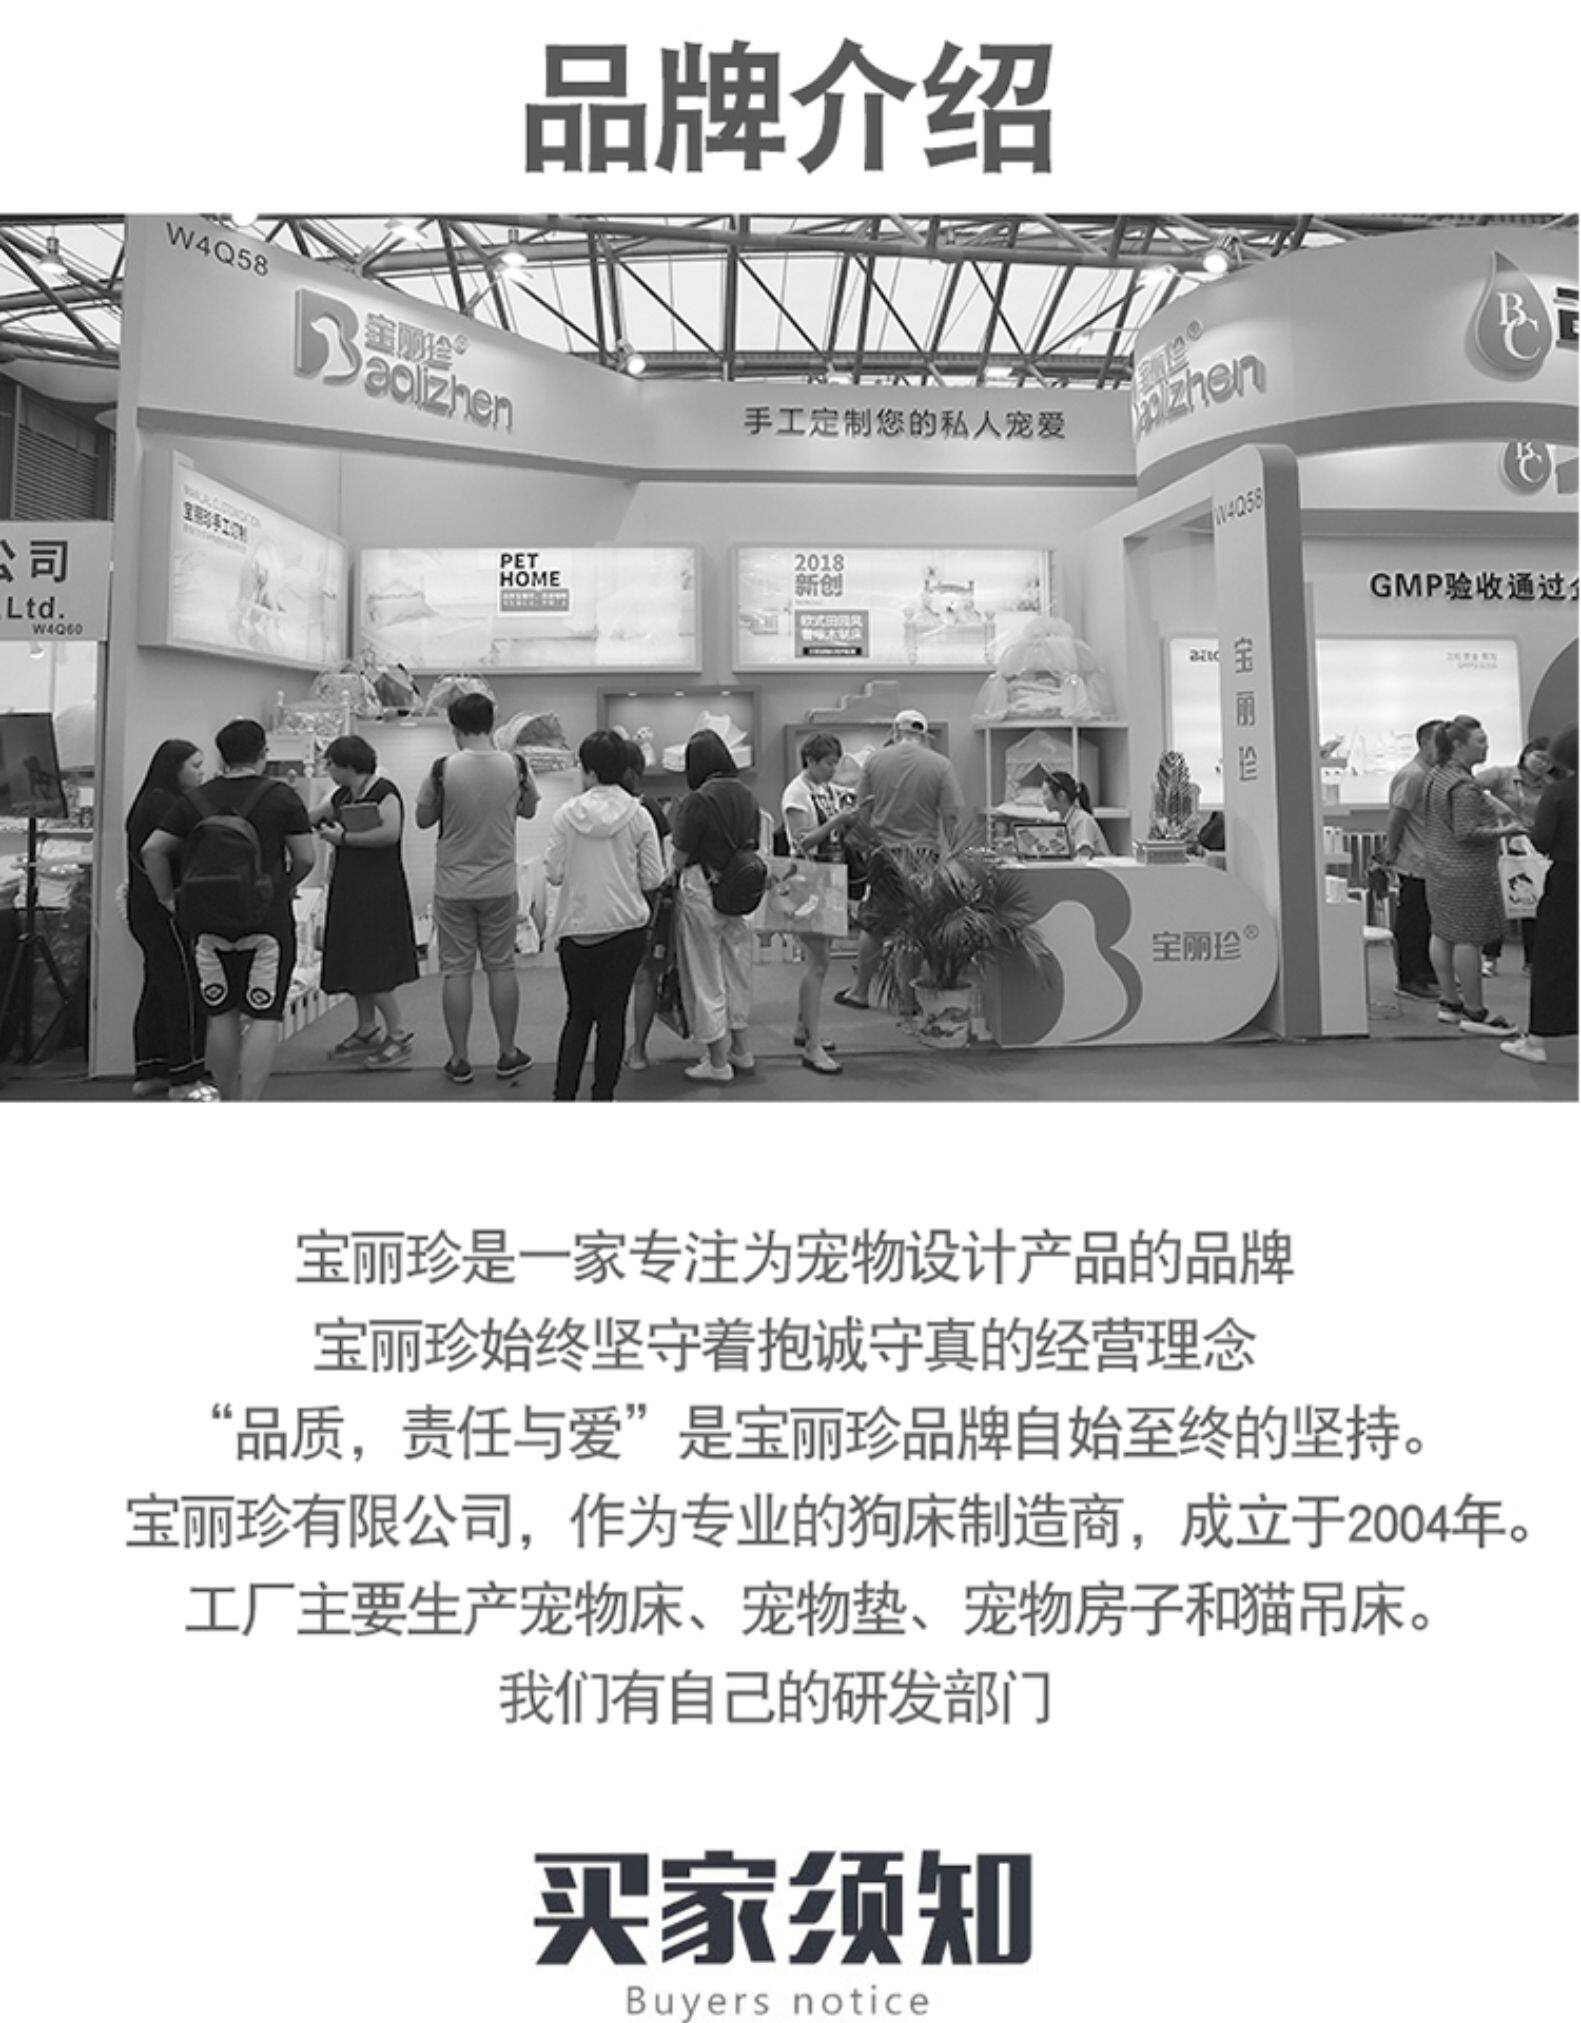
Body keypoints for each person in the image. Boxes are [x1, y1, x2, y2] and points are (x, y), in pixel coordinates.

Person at [141, 718, 316, 1101]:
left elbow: (152, 849)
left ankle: (227, 1097)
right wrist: (285, 885)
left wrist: (168, 897)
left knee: (220, 1012)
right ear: (263, 753)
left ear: (221, 756)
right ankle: (249, 1103)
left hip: (207, 922)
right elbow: (305, 856)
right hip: (266, 919)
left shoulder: (195, 800)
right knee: (265, 1014)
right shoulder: (281, 797)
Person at [414, 692, 538, 1086]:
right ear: (493, 722)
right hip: (499, 883)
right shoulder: (516, 765)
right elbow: (530, 809)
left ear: (454, 727)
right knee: (501, 966)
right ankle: (508, 1052)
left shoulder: (442, 769)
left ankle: (459, 1058)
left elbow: (422, 819)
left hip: (453, 885)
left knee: (456, 971)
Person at [544, 729, 665, 1101]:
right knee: (612, 1017)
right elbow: (653, 877)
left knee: (578, 1015)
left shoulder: (565, 815)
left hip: (577, 928)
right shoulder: (639, 815)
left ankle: (563, 1096)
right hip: (626, 929)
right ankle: (603, 1097)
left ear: (590, 771)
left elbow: (554, 873)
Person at [835, 709, 964, 1013]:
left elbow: (861, 809)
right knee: (914, 925)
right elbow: (951, 814)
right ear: (925, 735)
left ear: (894, 732)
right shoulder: (940, 765)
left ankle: (860, 992)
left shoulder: (875, 761)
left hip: (884, 852)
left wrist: (864, 848)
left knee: (874, 922)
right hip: (924, 855)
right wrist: (953, 855)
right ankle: (908, 1000)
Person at [314, 733, 419, 1070]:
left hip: (379, 888)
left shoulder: (384, 791)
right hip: (348, 886)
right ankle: (366, 1028)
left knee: (372, 962)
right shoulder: (342, 795)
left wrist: (343, 838)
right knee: (352, 959)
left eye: (331, 764)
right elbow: (310, 816)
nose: (328, 770)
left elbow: (390, 833)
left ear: (347, 765)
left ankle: (398, 1033)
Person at [1421, 715, 1525, 1037]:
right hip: (1467, 872)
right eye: (1480, 741)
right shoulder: (1464, 787)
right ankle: (1475, 1010)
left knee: (1442, 933)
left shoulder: (1437, 776)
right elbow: (1466, 832)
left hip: (1439, 866)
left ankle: (1449, 1002)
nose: (1486, 746)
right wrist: (1507, 830)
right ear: (1457, 745)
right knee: (1469, 940)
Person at [123, 738, 214, 1100]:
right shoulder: (167, 806)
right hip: (165, 911)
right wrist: (168, 897)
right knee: (185, 990)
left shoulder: (149, 800)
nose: (201, 773)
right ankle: (186, 1075)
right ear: (174, 768)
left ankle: (152, 1069)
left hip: (144, 909)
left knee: (158, 990)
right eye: (195, 766)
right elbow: (157, 853)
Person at [671, 728, 761, 1084]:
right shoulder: (747, 794)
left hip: (702, 890)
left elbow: (680, 857)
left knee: (705, 974)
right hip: (740, 889)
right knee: (737, 971)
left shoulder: (696, 800)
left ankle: (718, 1061)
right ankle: (742, 1049)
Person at [1502, 722, 1576, 1067]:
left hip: (1568, 881)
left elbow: (1543, 840)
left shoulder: (1559, 793)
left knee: (1553, 959)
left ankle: (1538, 1039)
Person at [781, 731, 854, 1076]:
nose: (832, 769)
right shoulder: (797, 792)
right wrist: (838, 821)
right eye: (827, 763)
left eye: (835, 763)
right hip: (807, 882)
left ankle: (804, 1028)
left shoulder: (823, 789)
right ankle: (812, 1046)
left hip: (829, 879)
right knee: (818, 964)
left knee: (819, 960)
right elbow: (802, 842)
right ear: (809, 760)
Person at [1474, 735, 1551, 974]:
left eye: (1548, 761)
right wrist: (1497, 808)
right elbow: (1468, 788)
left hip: (1532, 848)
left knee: (1531, 902)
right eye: (1539, 757)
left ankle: (1533, 961)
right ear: (1526, 754)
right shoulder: (1501, 774)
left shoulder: (1549, 785)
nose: (1542, 764)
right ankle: (1490, 957)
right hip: (1499, 845)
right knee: (1496, 903)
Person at [1380, 718, 1442, 1000]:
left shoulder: (1432, 773)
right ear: (1425, 742)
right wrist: (1390, 850)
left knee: (1428, 920)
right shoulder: (1414, 774)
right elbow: (1398, 816)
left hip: (1431, 860)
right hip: (1414, 860)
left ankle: (1426, 973)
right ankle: (1409, 978)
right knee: (1413, 921)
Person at [620, 737, 671, 1074]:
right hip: (647, 903)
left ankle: (612, 1049)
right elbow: (664, 861)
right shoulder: (649, 808)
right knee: (644, 979)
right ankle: (638, 1050)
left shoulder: (586, 809)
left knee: (609, 983)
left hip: (610, 904)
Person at [1040, 770, 1109, 857]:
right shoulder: (1059, 819)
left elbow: (1084, 858)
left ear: (1061, 795)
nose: (1042, 799)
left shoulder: (1083, 820)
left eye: (1045, 793)